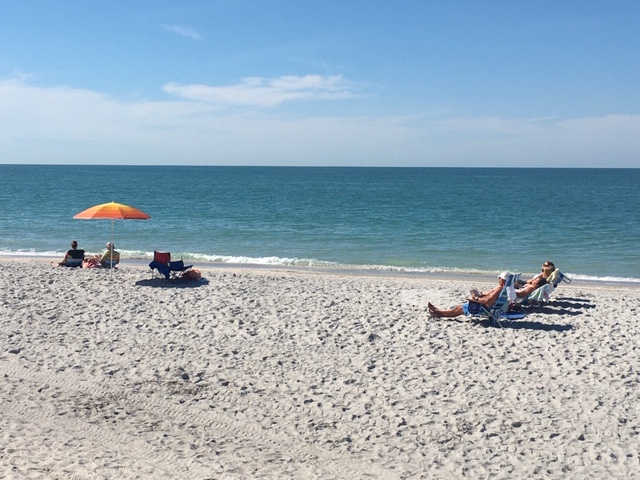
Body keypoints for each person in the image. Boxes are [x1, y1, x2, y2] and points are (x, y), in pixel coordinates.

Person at [428, 271, 511, 318]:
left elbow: (488, 301)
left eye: (499, 278)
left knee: (458, 310)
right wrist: (482, 295)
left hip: (482, 309)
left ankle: (437, 312)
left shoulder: (499, 288)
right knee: (458, 307)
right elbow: (490, 299)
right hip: (491, 308)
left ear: (503, 280)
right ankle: (438, 312)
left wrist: (476, 298)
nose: (498, 279)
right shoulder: (505, 288)